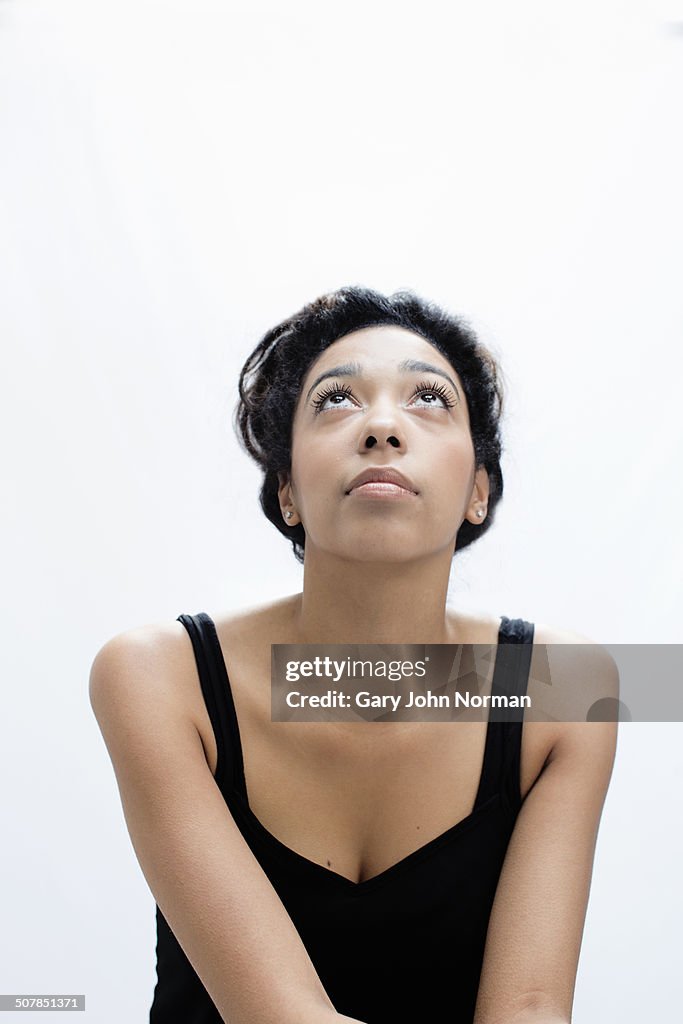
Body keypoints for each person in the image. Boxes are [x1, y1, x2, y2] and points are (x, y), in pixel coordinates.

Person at [89, 285, 618, 1024]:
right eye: (336, 400)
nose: (381, 426)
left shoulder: (565, 688)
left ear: (477, 490)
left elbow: (529, 1009)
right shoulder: (155, 673)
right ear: (287, 494)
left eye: (428, 398)